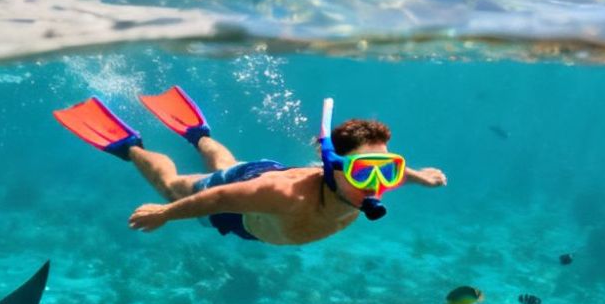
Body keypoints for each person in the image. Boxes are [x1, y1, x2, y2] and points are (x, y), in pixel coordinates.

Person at [54, 88, 446, 245]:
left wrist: (420, 177)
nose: (377, 185)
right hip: (244, 209)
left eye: (388, 171)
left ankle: (199, 135)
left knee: (228, 163)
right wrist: (166, 214)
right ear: (334, 167)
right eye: (365, 172)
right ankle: (130, 147)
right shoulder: (283, 194)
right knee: (174, 184)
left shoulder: (365, 184)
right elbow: (219, 197)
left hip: (258, 180)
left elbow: (388, 173)